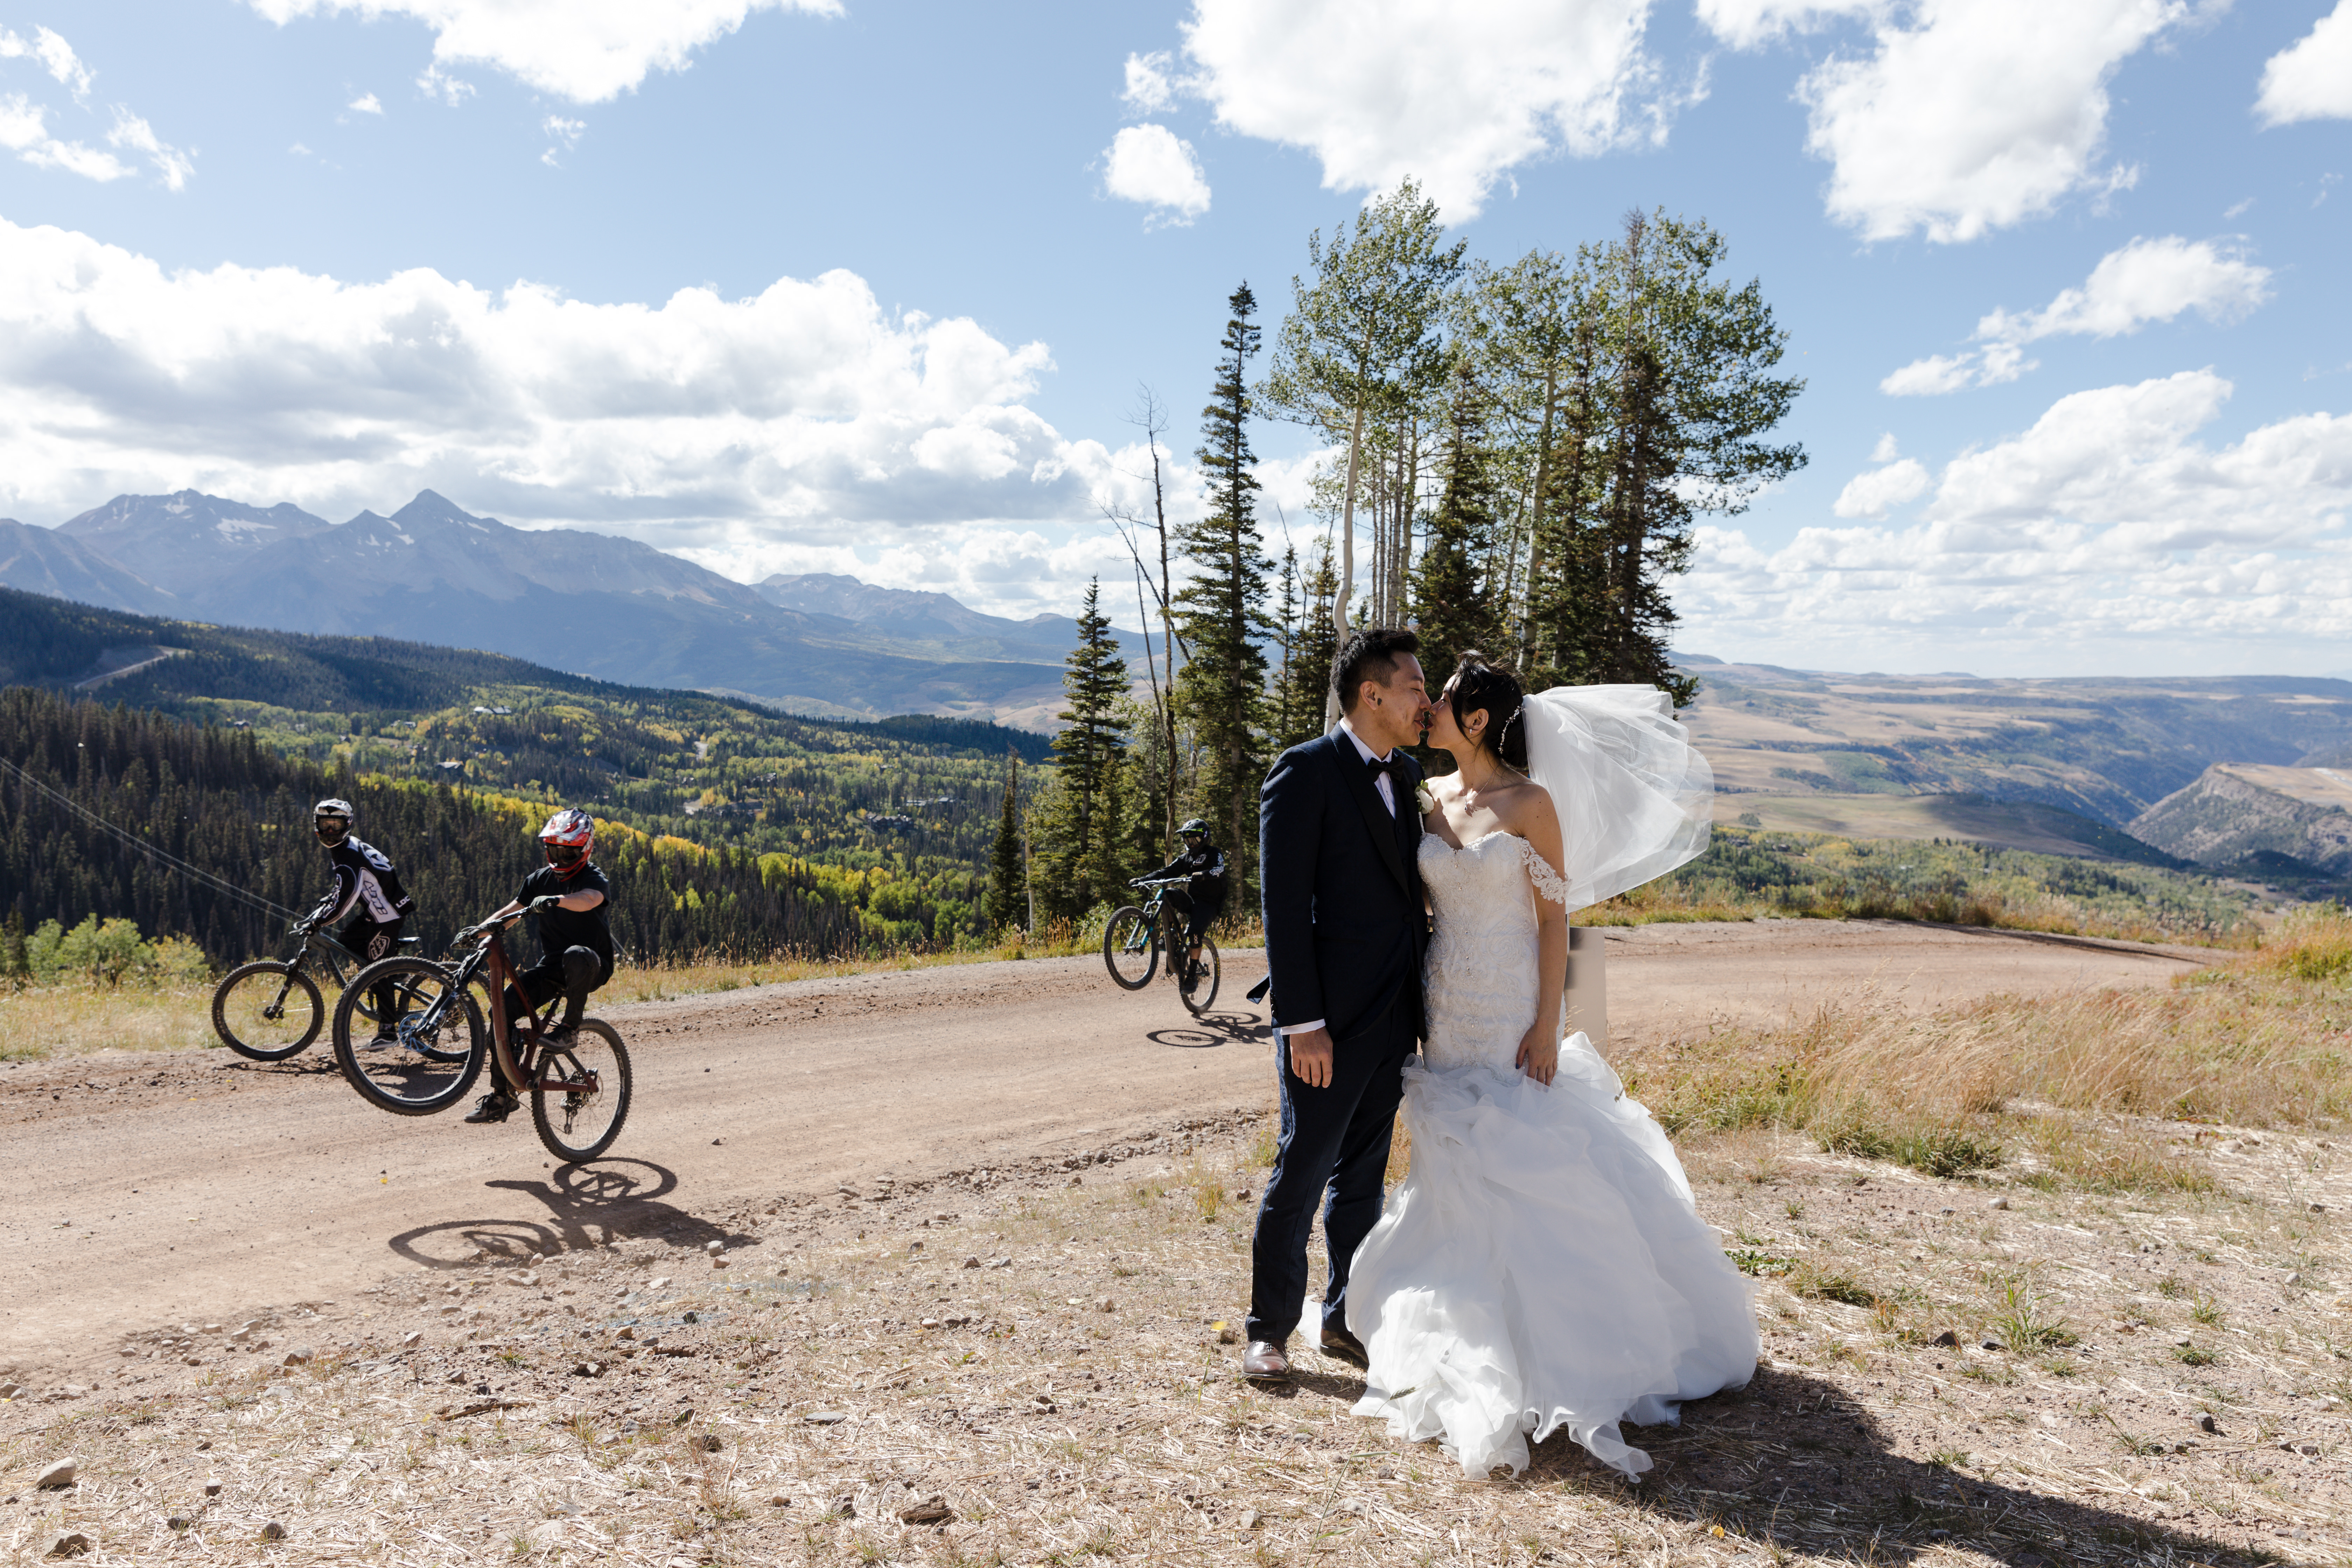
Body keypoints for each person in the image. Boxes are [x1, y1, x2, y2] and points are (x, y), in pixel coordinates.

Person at [1342, 651, 1757, 1478]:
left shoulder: (1532, 805)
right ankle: (1466, 1325)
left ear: (1479, 721)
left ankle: (1551, 1347)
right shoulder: (1430, 803)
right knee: (1456, 1158)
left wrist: (1547, 1023)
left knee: (1518, 1148)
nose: (1428, 711)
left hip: (1508, 1005)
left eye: (1444, 701)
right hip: (1448, 1003)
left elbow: (1551, 923)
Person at [1245, 626, 1432, 1383]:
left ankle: (1345, 1317)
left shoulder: (1410, 770)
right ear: (1372, 693)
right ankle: (1268, 1329)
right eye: (1416, 686)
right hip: (1326, 1023)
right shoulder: (1305, 771)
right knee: (1302, 1170)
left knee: (1362, 1179)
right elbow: (1283, 908)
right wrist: (1303, 1023)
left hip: (1395, 1018)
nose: (1427, 699)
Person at [464, 808, 615, 1126]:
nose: (560, 858)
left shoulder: (592, 878)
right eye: (555, 850)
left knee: (575, 954)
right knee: (501, 1010)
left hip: (591, 965)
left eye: (568, 851)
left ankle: (570, 1029)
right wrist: (477, 931)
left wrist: (557, 900)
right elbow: (512, 913)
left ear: (585, 849)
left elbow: (590, 899)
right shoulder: (538, 880)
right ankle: (501, 1095)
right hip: (553, 968)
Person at [304, 797, 412, 1049]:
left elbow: (346, 899)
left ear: (348, 824)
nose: (330, 831)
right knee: (347, 940)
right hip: (379, 910)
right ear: (317, 825)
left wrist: (320, 921)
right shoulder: (346, 848)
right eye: (325, 824)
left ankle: (388, 1031)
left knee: (376, 969)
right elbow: (346, 887)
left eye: (336, 825)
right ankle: (398, 972)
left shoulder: (347, 854)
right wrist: (326, 902)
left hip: (387, 914)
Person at [1134, 818, 1226, 981]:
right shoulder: (1187, 858)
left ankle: (1191, 977)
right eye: (1188, 840)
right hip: (1193, 900)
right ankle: (1171, 936)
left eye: (1195, 839)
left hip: (1210, 904)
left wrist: (1203, 875)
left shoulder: (1214, 853)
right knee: (1168, 895)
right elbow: (1166, 872)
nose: (1191, 843)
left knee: (1195, 933)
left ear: (1204, 838)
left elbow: (1219, 870)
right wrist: (1143, 879)